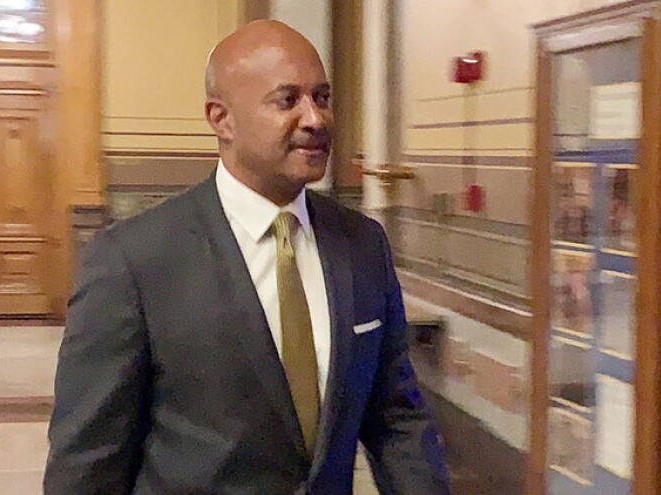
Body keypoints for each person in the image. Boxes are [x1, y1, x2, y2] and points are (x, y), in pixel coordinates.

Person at [43, 20, 450, 495]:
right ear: (222, 119)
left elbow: (397, 418)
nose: (315, 119)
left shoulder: (362, 244)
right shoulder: (134, 260)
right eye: (287, 100)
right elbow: (87, 463)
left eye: (322, 97)